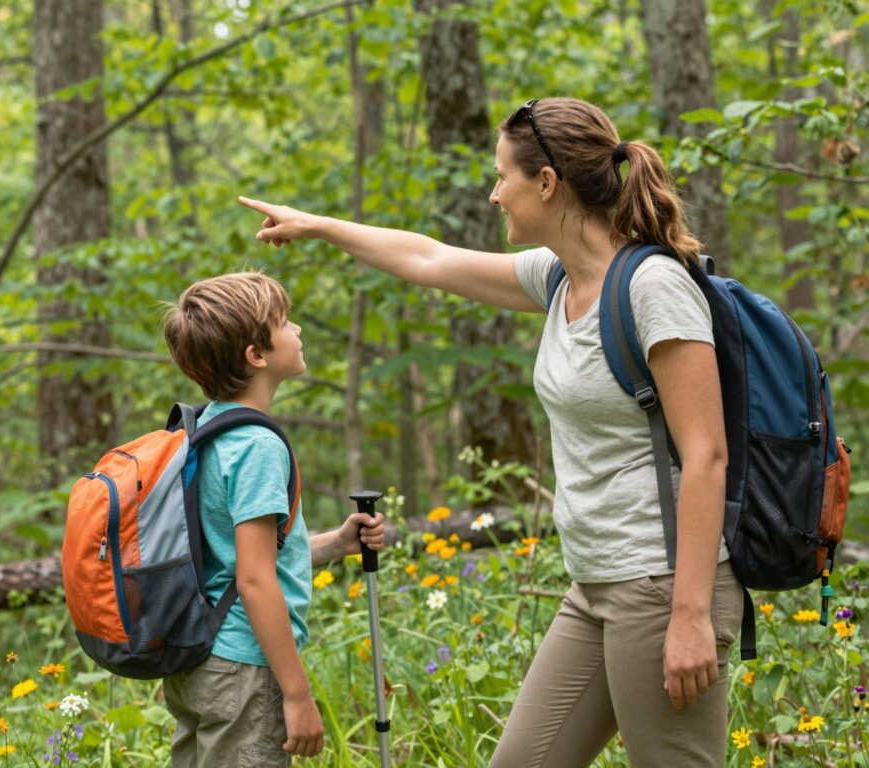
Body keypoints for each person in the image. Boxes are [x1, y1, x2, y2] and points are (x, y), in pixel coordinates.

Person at [238, 97, 744, 767]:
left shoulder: (653, 288)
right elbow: (429, 259)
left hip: (661, 582)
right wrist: (320, 226)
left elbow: (707, 455)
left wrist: (689, 615)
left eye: (502, 176)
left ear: (546, 182)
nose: (493, 193)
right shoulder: (558, 276)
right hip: (593, 582)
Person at [160, 271, 385, 768]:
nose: (298, 329)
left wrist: (334, 543)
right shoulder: (257, 447)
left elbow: (232, 553)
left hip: (200, 661)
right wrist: (296, 693)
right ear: (256, 356)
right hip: (243, 668)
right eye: (284, 323)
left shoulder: (206, 433)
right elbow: (255, 578)